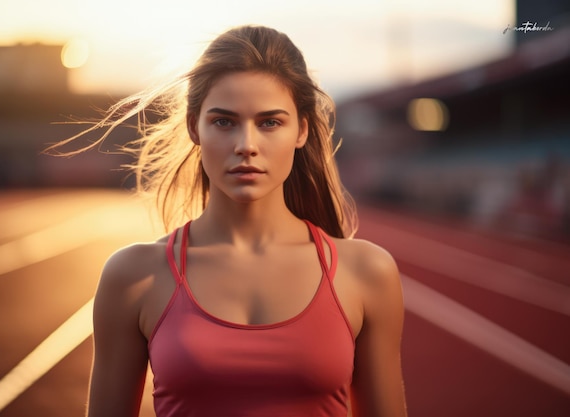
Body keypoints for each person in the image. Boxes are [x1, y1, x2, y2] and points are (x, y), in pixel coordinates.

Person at [60, 25, 407, 417]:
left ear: (302, 129)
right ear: (195, 127)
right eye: (224, 122)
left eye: (269, 122)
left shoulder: (366, 272)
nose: (246, 145)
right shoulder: (133, 275)